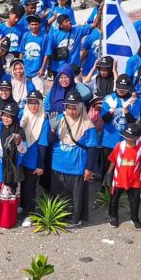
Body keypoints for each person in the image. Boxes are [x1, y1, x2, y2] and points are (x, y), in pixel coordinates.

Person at [49, 91, 99, 227]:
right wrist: (52, 130)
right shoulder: (59, 119)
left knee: (75, 194)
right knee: (58, 191)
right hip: (58, 162)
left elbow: (92, 148)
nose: (71, 111)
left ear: (81, 107)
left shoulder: (87, 125)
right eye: (68, 107)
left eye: (74, 107)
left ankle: (74, 219)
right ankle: (58, 215)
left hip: (77, 164)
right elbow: (50, 141)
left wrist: (89, 168)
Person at [104, 123, 141, 230]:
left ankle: (135, 219)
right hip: (119, 178)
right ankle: (113, 217)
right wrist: (108, 174)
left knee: (135, 200)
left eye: (130, 137)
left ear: (137, 137)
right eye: (125, 136)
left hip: (134, 179)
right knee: (114, 199)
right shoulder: (119, 146)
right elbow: (113, 160)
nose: (127, 139)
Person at [19, 91, 49, 227]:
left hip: (33, 158)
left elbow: (42, 144)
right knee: (18, 183)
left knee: (30, 187)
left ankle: (29, 213)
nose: (33, 106)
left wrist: (40, 165)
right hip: (19, 157)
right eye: (30, 102)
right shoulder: (22, 114)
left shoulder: (44, 120)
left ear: (40, 104)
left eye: (36, 102)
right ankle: (19, 206)